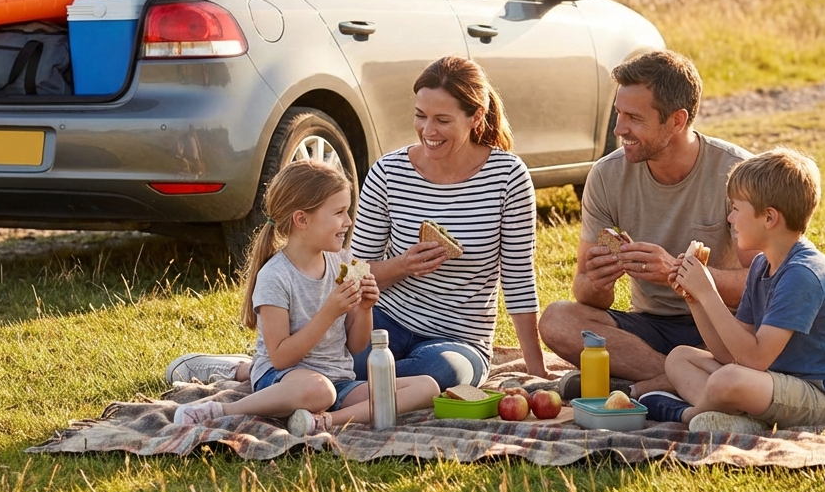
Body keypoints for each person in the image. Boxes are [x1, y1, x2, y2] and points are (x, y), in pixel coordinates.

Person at [169, 159, 439, 436]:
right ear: (302, 220)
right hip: (282, 378)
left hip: (339, 383)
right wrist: (329, 311)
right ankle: (220, 410)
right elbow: (281, 358)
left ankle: (325, 422)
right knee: (318, 391)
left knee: (426, 386)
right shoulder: (275, 276)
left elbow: (357, 346)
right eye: (339, 212)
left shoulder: (343, 263)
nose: (348, 222)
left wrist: (367, 307)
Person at [538, 49, 752, 398]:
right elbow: (585, 294)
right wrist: (598, 281)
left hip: (720, 325)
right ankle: (677, 379)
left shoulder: (736, 174)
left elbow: (763, 284)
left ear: (677, 121)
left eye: (634, 118)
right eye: (618, 113)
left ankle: (642, 383)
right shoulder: (607, 175)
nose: (619, 128)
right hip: (647, 327)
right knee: (558, 320)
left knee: (772, 338)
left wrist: (677, 271)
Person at [642, 148, 825, 433]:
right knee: (680, 358)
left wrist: (709, 293)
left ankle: (687, 415)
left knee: (728, 381)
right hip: (777, 381)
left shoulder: (802, 273)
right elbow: (731, 354)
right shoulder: (762, 265)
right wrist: (695, 299)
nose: (731, 219)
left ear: (769, 218)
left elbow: (753, 359)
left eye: (736, 209)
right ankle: (740, 418)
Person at [349, 56, 546, 389]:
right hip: (384, 322)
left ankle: (347, 387)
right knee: (340, 355)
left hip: (458, 341)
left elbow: (518, 279)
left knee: (443, 373)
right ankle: (366, 385)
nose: (428, 131)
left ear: (476, 118)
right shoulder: (388, 173)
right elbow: (353, 272)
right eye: (420, 116)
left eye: (442, 120)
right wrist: (402, 265)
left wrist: (536, 371)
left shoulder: (508, 177)